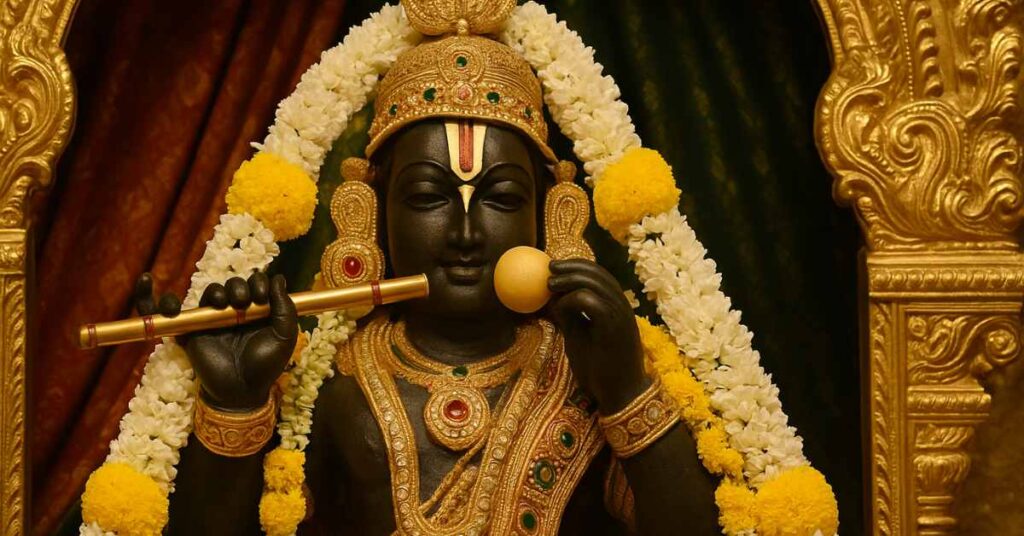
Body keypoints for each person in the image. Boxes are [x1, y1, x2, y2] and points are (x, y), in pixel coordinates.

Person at [133, 2, 719, 534]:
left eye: (501, 198)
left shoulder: (588, 369)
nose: (465, 234)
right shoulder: (332, 386)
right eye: (427, 198)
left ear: (547, 214)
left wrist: (624, 391)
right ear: (374, 214)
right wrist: (234, 402)